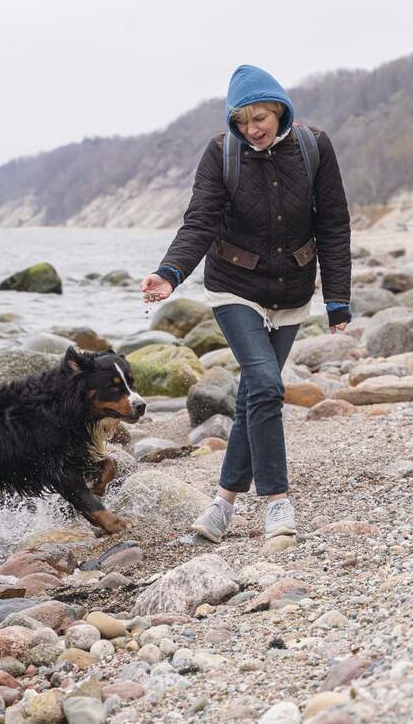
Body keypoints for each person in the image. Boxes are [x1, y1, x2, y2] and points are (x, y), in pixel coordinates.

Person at [140, 64, 352, 543]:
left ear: (280, 110)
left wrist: (337, 297)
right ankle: (277, 502)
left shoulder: (315, 148)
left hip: (293, 291)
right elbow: (200, 221)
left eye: (260, 117)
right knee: (264, 383)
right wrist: (170, 273)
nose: (252, 128)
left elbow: (334, 225)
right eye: (242, 120)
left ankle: (221, 506)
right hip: (234, 286)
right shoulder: (222, 154)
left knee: (257, 394)